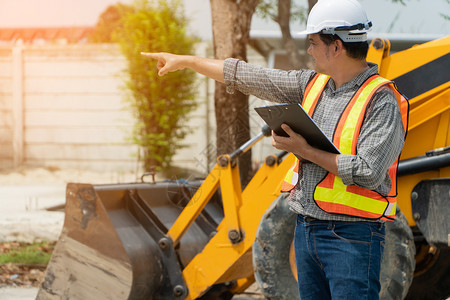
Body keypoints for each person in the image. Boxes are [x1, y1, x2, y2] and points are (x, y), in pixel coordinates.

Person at [141, 0, 408, 298]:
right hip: (307, 229)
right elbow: (245, 75)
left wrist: (305, 150)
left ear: (336, 47)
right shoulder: (312, 85)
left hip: (353, 238)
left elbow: (369, 172)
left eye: (313, 42)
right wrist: (188, 61)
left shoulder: (382, 101)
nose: (308, 50)